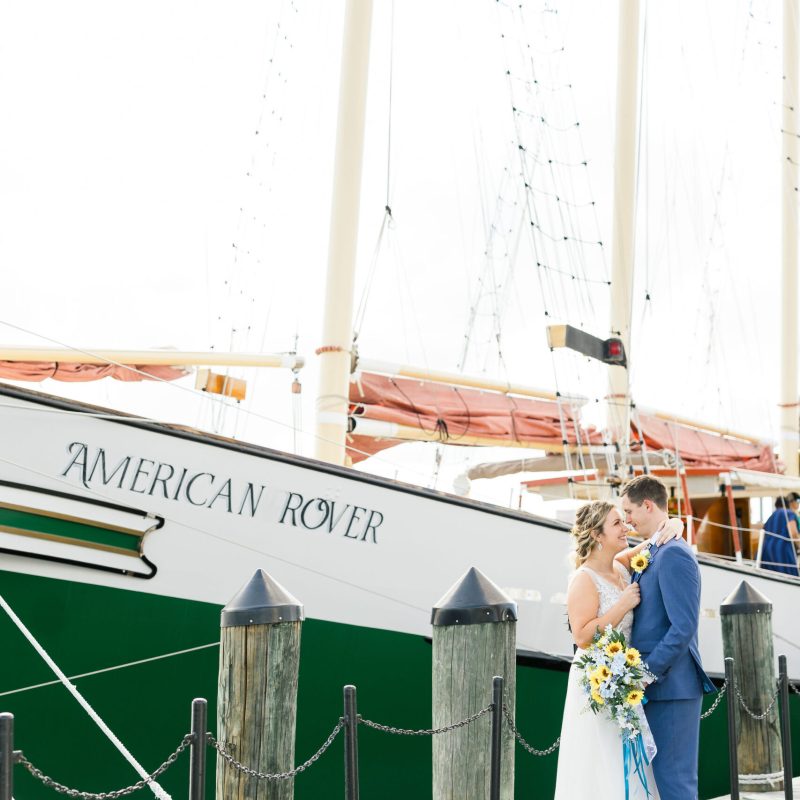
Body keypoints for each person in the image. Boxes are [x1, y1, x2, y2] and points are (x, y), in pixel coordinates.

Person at [553, 500, 683, 799]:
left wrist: (677, 523)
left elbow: (656, 540)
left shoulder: (622, 567)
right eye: (616, 523)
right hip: (596, 681)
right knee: (599, 760)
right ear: (597, 535)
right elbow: (583, 636)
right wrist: (623, 605)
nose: (625, 527)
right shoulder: (583, 578)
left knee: (625, 757)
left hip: (622, 677)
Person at [621, 475, 715, 800]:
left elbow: (683, 626)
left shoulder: (674, 553)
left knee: (675, 783)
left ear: (648, 505)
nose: (627, 520)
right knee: (658, 783)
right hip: (658, 689)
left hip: (671, 687)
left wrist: (644, 673)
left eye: (629, 511)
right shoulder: (654, 549)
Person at [760, 493, 800, 577]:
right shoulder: (789, 513)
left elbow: (763, 533)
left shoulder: (771, 516)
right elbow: (793, 533)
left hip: (766, 551)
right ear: (788, 504)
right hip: (782, 550)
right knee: (790, 578)